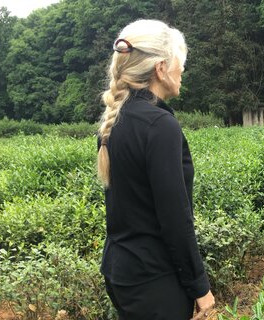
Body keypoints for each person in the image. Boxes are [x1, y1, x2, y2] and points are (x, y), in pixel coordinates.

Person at [96, 19, 214, 320]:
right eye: (180, 62)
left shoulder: (116, 121)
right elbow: (175, 218)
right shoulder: (160, 125)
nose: (182, 70)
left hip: (121, 270)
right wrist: (200, 287)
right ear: (161, 68)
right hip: (154, 279)